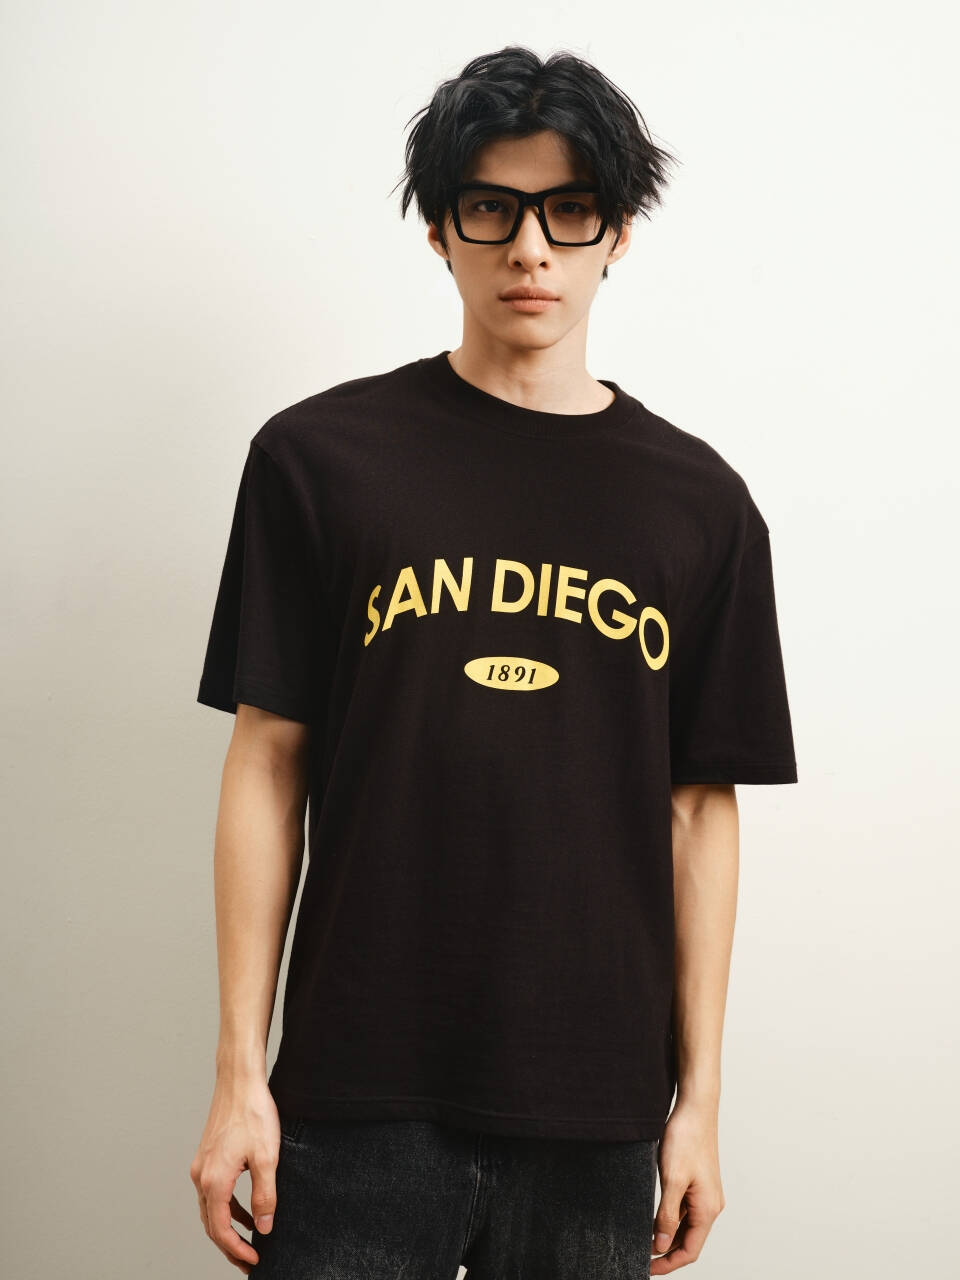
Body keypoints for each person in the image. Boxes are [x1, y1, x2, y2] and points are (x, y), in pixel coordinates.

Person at [189, 44, 798, 1280]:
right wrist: (240, 1072)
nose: (530, 249)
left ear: (616, 233)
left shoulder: (703, 505)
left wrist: (700, 1102)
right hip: (356, 1091)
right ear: (438, 230)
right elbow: (266, 761)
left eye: (569, 211)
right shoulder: (318, 460)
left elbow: (698, 812)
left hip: (598, 1108)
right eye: (491, 209)